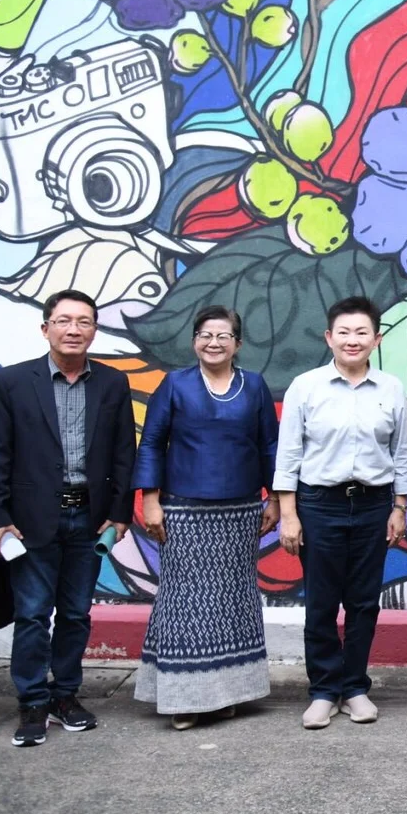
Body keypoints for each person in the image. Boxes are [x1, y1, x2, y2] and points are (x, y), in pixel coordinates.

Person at [0, 289, 135, 749]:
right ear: (45, 328)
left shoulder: (112, 382)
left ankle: (65, 694)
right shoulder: (12, 381)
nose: (73, 330)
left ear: (95, 330)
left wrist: (119, 513)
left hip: (89, 517)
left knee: (76, 613)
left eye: (84, 321)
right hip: (29, 521)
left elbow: (124, 452)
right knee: (31, 613)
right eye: (64, 321)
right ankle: (31, 700)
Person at [132, 306, 280, 730]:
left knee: (232, 600)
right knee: (185, 600)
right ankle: (184, 698)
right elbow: (152, 443)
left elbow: (269, 445)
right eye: (205, 335)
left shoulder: (254, 385)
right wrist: (150, 500)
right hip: (183, 509)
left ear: (238, 343)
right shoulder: (174, 384)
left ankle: (226, 694)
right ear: (194, 340)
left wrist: (274, 499)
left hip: (241, 511)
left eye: (223, 336)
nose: (213, 343)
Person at [274, 296, 407, 730]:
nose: (353, 340)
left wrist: (400, 507)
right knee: (321, 602)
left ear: (377, 339)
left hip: (373, 506)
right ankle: (322, 690)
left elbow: (402, 453)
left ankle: (354, 688)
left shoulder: (391, 388)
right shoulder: (305, 387)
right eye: (344, 332)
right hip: (319, 505)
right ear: (329, 337)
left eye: (362, 332)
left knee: (363, 602)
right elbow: (289, 454)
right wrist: (289, 514)